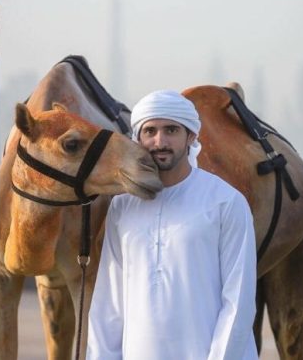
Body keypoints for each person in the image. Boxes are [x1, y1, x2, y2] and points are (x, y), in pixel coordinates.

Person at [86, 90, 257, 360]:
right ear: (137, 139)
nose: (159, 141)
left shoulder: (225, 202)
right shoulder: (122, 207)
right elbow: (109, 305)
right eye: (150, 131)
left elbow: (239, 300)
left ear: (191, 136)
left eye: (171, 130)